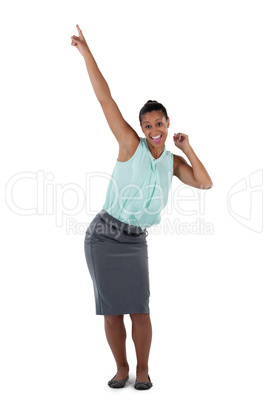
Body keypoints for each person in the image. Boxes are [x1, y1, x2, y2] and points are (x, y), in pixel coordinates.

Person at [70, 24, 213, 391]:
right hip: (104, 236)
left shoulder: (173, 163)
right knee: (112, 310)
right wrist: (87, 54)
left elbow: (205, 182)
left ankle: (144, 370)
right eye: (147, 124)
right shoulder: (129, 145)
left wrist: (188, 147)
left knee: (141, 310)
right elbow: (106, 100)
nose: (153, 129)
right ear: (140, 127)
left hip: (135, 241)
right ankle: (121, 369)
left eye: (159, 124)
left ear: (168, 125)